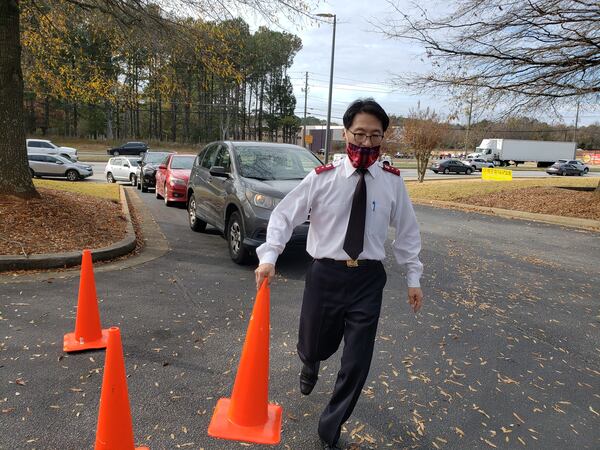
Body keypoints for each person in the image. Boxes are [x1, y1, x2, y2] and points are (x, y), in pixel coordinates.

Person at [255, 98, 424, 449]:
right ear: (345, 133)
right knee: (315, 341)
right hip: (325, 274)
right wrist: (269, 256)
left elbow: (407, 232)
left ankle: (330, 427)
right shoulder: (322, 179)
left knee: (357, 359)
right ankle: (311, 361)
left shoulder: (392, 182)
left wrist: (413, 278)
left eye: (374, 136)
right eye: (359, 134)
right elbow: (285, 216)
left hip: (367, 279)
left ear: (383, 139)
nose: (366, 143)